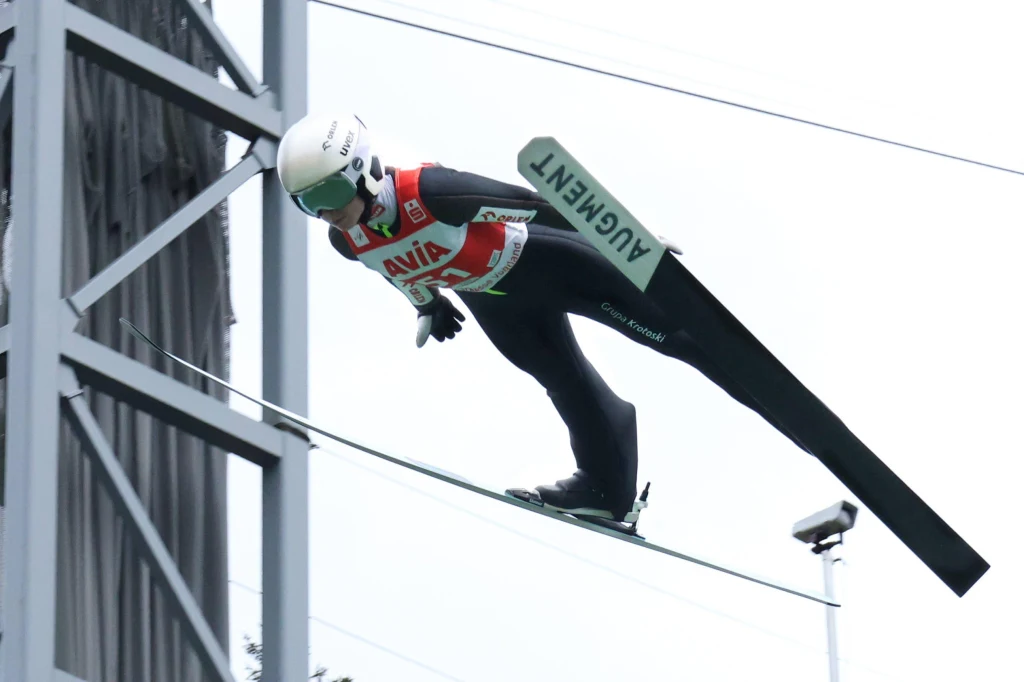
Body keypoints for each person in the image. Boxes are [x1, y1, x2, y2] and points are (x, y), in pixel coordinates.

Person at [276, 112, 801, 525]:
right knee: (563, 382)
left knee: (676, 337)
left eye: (328, 194)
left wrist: (625, 235)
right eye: (308, 203)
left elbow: (528, 203)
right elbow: (390, 266)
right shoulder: (347, 239)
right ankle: (606, 491)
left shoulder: (430, 192)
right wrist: (428, 305)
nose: (325, 212)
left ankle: (771, 396)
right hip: (494, 301)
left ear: (361, 170)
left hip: (547, 261)